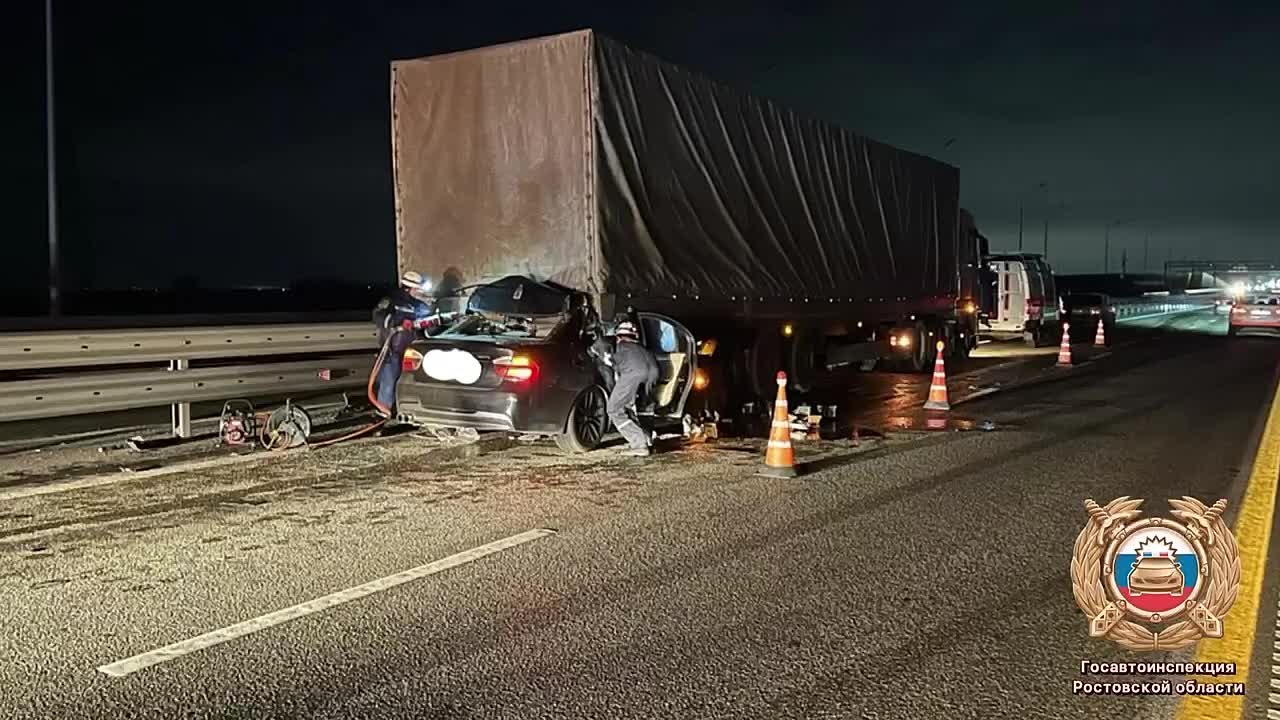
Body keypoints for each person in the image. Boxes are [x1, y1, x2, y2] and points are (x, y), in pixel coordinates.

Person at [370, 271, 447, 418]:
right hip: (393, 349)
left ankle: (408, 409)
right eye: (417, 289)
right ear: (409, 288)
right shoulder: (391, 301)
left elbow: (425, 322)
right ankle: (382, 413)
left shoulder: (417, 304)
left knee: (410, 382)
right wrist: (398, 322)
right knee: (389, 382)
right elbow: (378, 316)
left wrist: (435, 320)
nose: (420, 292)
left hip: (412, 350)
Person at [607, 320, 659, 457]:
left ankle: (639, 443)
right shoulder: (642, 348)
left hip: (633, 374)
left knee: (614, 409)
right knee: (629, 407)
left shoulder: (622, 347)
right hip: (652, 374)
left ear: (618, 336)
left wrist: (605, 358)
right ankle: (646, 438)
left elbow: (614, 363)